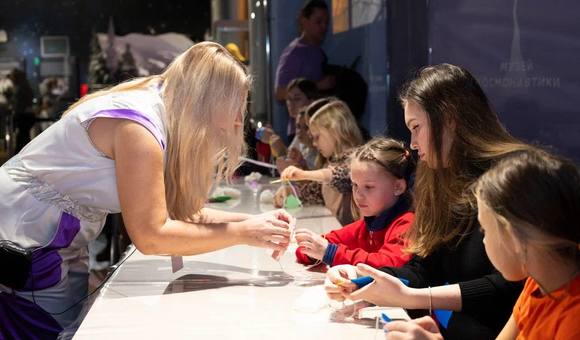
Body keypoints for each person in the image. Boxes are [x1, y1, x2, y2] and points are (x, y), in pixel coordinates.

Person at [0, 42, 292, 338]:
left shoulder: (157, 107)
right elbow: (152, 236)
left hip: (55, 234)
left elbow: (179, 213)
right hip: (25, 232)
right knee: (43, 329)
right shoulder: (138, 127)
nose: (236, 121)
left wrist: (253, 225)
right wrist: (244, 233)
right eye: (234, 108)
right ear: (209, 100)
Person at [325, 64, 530, 339]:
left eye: (416, 127)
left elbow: (513, 287)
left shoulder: (515, 175)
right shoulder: (439, 179)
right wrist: (366, 279)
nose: (412, 143)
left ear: (449, 119)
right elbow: (424, 266)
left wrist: (414, 297)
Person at [383, 149, 580, 339]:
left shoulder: (573, 320)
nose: (483, 241)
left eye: (484, 231)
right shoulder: (538, 283)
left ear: (512, 236)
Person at [294, 137, 415, 268]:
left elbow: (388, 265)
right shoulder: (368, 224)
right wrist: (311, 249)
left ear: (398, 187)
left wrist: (330, 253)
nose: (358, 194)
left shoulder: (408, 224)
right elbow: (326, 242)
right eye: (355, 185)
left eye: (368, 187)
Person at [279, 99, 363, 225]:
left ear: (335, 131)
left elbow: (340, 176)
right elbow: (314, 194)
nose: (314, 143)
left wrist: (304, 174)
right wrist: (289, 192)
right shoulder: (329, 163)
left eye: (317, 137)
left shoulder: (358, 160)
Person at [274, 0, 334, 139]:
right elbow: (280, 92)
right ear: (304, 21)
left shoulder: (318, 51)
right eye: (318, 22)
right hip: (300, 131)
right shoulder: (293, 53)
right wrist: (319, 85)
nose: (323, 27)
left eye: (326, 22)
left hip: (316, 128)